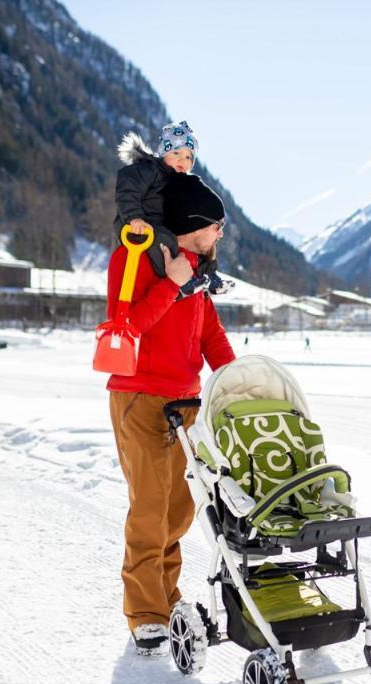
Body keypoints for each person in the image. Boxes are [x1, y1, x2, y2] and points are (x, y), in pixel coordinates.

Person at [106, 171, 236, 654]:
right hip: (139, 396)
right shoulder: (133, 256)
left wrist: (237, 385)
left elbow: (210, 337)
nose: (221, 233)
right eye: (216, 224)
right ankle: (146, 613)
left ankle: (165, 592)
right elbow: (127, 325)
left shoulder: (199, 272)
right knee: (149, 507)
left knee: (180, 510)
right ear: (195, 222)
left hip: (187, 402)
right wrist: (172, 286)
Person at [113, 120, 227, 295]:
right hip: (137, 225)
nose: (183, 160)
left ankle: (210, 275)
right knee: (166, 240)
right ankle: (179, 282)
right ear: (163, 153)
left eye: (189, 157)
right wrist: (134, 217)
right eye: (176, 153)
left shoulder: (177, 181)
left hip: (159, 225)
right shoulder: (149, 169)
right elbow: (128, 188)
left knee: (198, 243)